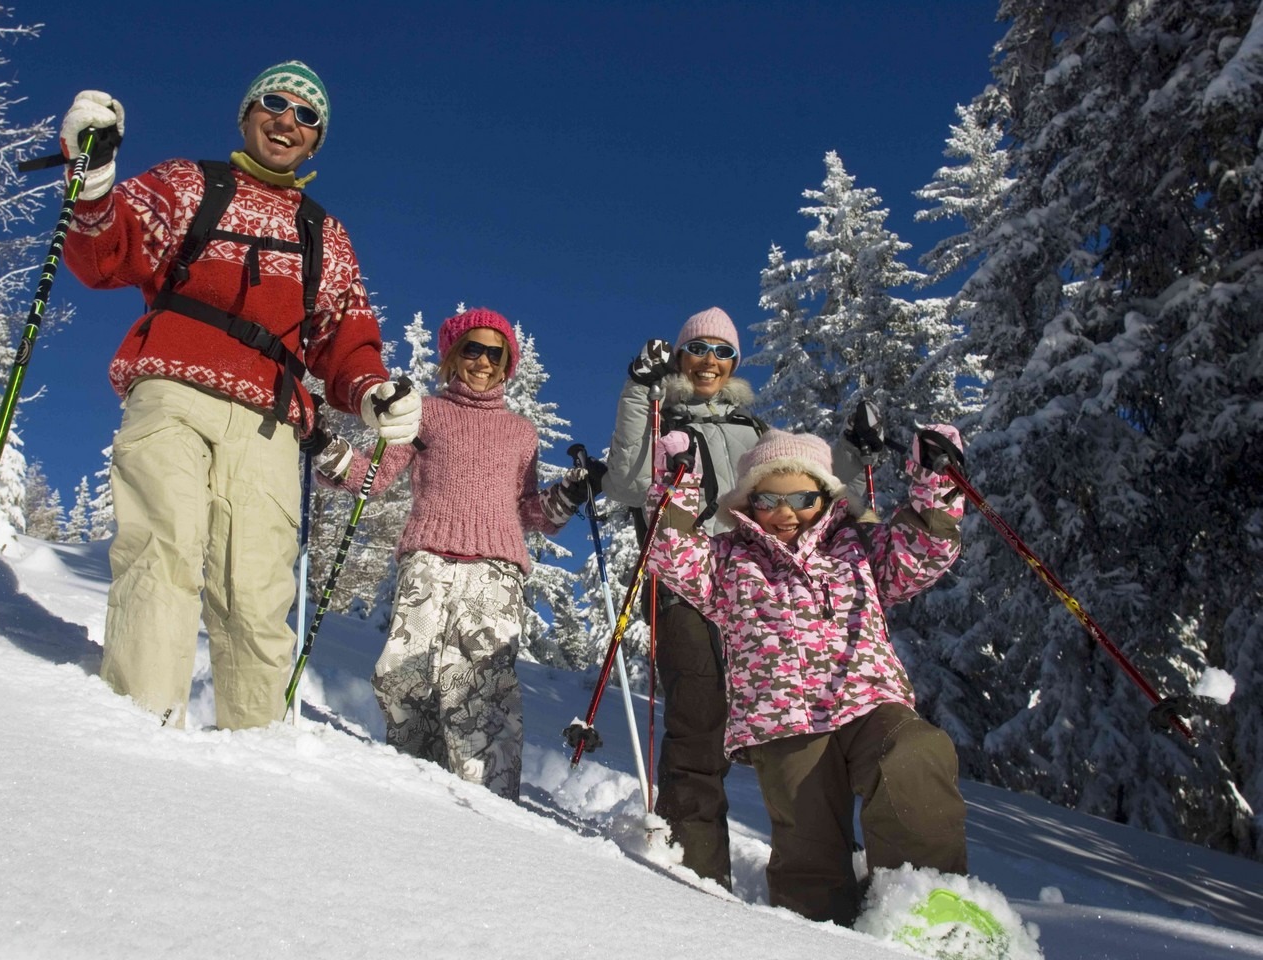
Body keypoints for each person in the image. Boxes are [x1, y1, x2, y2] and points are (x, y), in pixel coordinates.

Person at [58, 61, 421, 730]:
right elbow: (106, 251)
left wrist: (373, 393)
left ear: (316, 141)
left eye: (306, 116)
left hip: (270, 422)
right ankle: (140, 729)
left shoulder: (325, 235)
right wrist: (94, 173)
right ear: (247, 113)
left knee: (256, 590)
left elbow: (345, 337)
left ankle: (255, 759)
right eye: (275, 103)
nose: (287, 120)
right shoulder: (188, 184)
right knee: (163, 546)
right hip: (172, 386)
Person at [645, 426, 969, 926]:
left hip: (866, 701)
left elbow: (925, 549)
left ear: (825, 496)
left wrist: (936, 479)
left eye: (802, 497)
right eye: (769, 498)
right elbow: (671, 553)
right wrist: (677, 485)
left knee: (915, 756)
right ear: (749, 501)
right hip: (783, 725)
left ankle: (929, 904)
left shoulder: (858, 547)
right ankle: (819, 948)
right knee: (808, 850)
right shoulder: (728, 560)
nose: (786, 512)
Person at [602, 306, 871, 890]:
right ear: (679, 358)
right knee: (699, 720)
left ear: (734, 364)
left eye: (723, 352)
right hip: (687, 582)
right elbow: (625, 482)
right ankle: (697, 875)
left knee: (797, 726)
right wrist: (637, 391)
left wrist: (853, 452)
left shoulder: (756, 430)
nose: (710, 362)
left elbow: (812, 488)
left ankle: (820, 878)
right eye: (698, 349)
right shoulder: (659, 415)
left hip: (763, 589)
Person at [314, 308, 588, 800]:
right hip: (428, 560)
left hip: (496, 570)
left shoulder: (520, 431)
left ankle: (489, 802)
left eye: (494, 353)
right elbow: (374, 477)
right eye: (472, 349)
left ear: (508, 363)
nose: (483, 361)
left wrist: (566, 496)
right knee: (404, 669)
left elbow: (528, 511)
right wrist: (327, 451)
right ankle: (413, 780)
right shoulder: (426, 413)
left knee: (483, 686)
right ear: (451, 356)